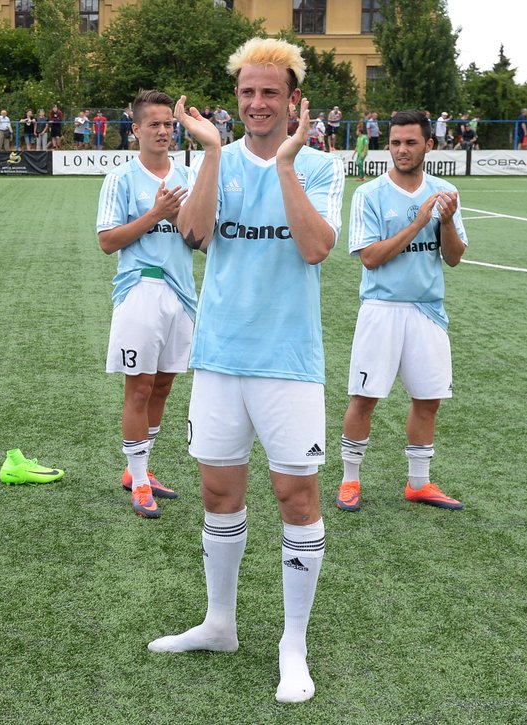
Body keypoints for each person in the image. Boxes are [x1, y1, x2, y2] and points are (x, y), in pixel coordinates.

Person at [149, 38, 345, 706]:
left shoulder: (320, 166)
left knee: (296, 497)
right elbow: (196, 235)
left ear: (293, 101)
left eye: (270, 93)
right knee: (218, 495)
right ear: (236, 101)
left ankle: (294, 642)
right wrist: (207, 152)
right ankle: (220, 622)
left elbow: (317, 247)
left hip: (289, 363)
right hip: (221, 357)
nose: (257, 103)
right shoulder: (217, 159)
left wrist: (286, 165)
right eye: (247, 93)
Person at [337, 110, 468, 514]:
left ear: (429, 144)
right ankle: (349, 480)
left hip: (427, 311)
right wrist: (418, 222)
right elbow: (371, 258)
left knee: (428, 400)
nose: (402, 150)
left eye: (411, 142)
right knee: (365, 397)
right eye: (395, 143)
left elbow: (455, 257)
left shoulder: (445, 191)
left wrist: (444, 222)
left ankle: (418, 483)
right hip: (381, 309)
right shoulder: (369, 194)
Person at [96, 90, 197, 519]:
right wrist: (156, 214)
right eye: (153, 124)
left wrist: (178, 217)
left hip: (182, 294)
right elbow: (107, 241)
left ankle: (140, 468)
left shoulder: (188, 177)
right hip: (140, 290)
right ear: (135, 130)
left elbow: (202, 240)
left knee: (164, 384)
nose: (162, 131)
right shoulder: (121, 178)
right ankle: (139, 482)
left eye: (167, 124)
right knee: (138, 387)